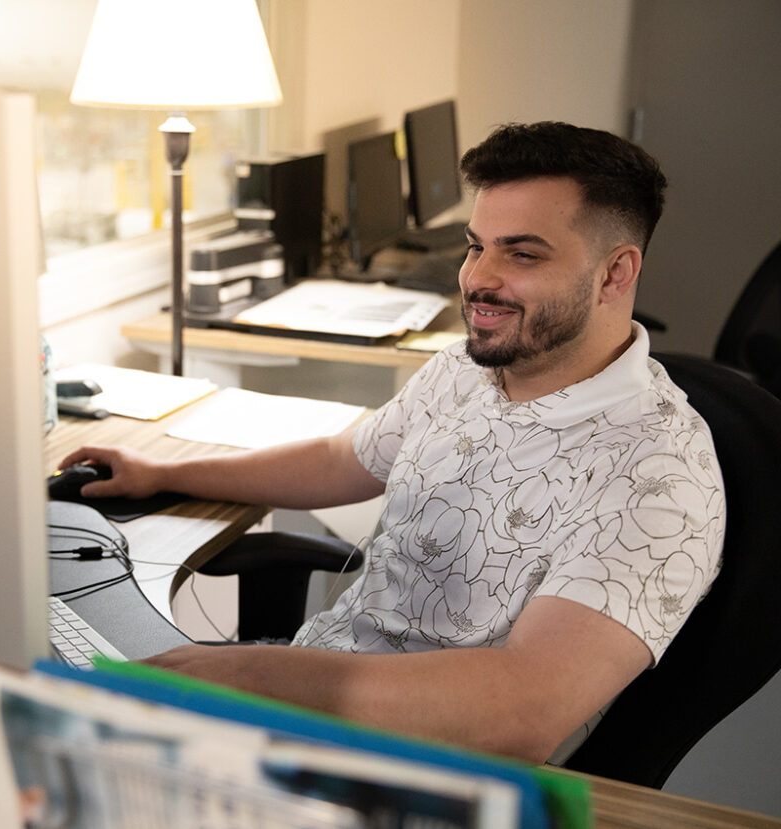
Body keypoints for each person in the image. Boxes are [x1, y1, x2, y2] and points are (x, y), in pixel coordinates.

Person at [59, 122, 725, 765]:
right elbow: (341, 460)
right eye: (475, 245)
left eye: (522, 253)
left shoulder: (662, 474)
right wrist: (165, 472)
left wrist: (246, 671)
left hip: (423, 773)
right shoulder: (470, 366)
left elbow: (525, 710)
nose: (477, 279)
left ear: (615, 274)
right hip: (311, 694)